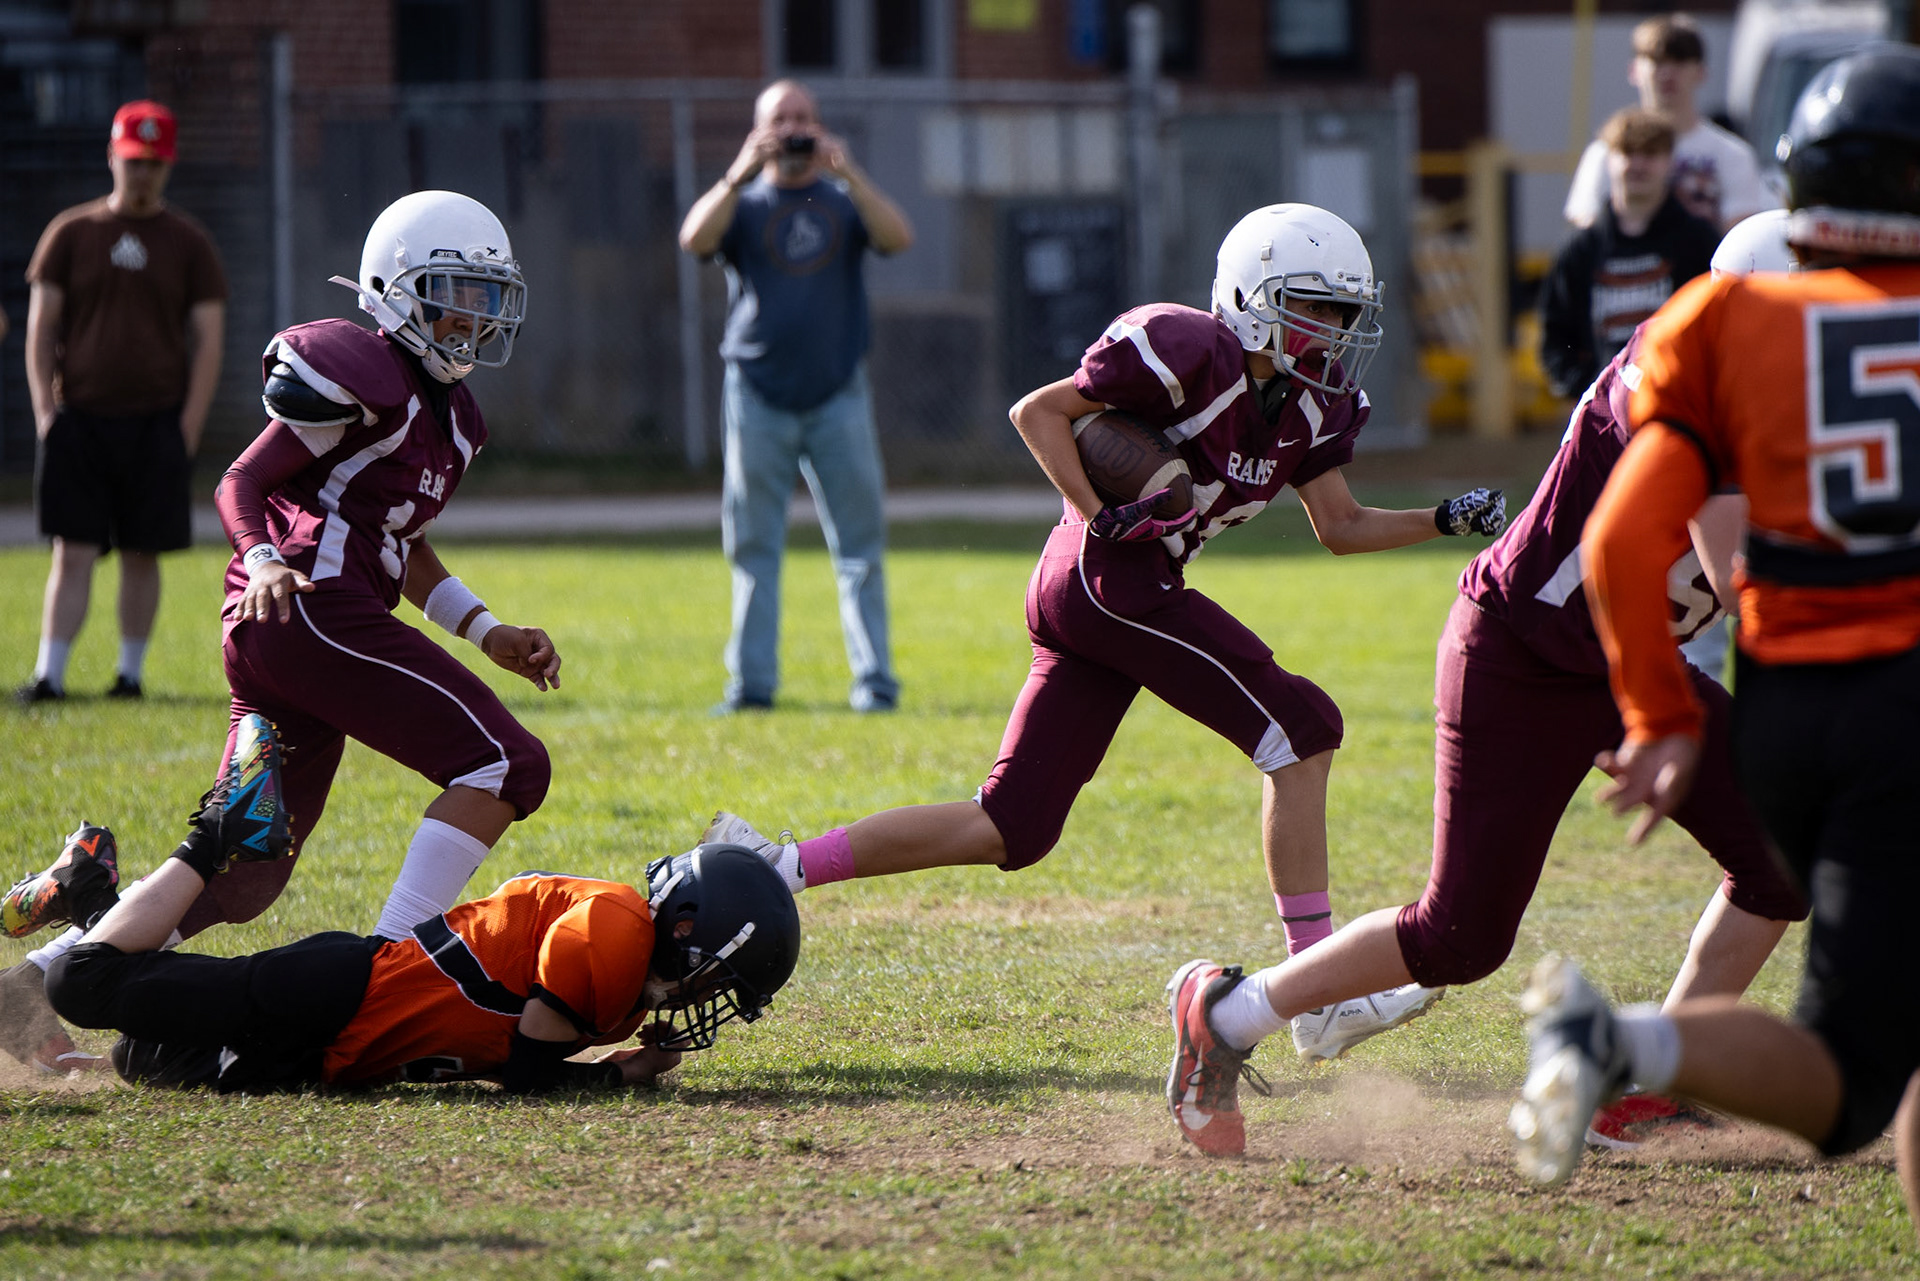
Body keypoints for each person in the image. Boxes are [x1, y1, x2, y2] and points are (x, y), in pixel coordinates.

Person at [705, 202, 1509, 1059]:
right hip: (1104, 578)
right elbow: (1037, 413)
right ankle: (1312, 987)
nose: (1333, 332)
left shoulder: (1312, 409)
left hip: (1116, 587)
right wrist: (1100, 516)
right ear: (1252, 296)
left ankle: (776, 864)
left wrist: (1444, 517)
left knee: (1010, 824)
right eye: (1313, 308)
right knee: (1302, 729)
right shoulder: (1188, 348)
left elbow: (1340, 525)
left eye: (1344, 314)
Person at [1157, 210, 1810, 1158]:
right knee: (1460, 935)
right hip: (1522, 656)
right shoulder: (1696, 373)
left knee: (1776, 858)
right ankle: (1227, 1013)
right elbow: (1742, 567)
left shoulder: (1760, 368)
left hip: (1620, 660)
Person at [0, 190, 560, 1074]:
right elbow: (241, 478)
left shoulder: (452, 417)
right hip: (304, 608)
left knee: (245, 872)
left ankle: (28, 988)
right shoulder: (359, 366)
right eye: (453, 290)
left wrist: (485, 630)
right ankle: (385, 975)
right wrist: (261, 557)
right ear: (394, 290)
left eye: (485, 297)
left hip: (308, 627)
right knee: (506, 764)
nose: (472, 316)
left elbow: (400, 541)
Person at [1505, 52, 1920, 1236]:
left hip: (1791, 707)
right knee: (1855, 1069)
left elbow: (1625, 544)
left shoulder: (1721, 315)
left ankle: (1628, 1044)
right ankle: (1619, 1041)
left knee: (1871, 1059)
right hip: (1903, 699)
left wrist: (1660, 717)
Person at [5, 716, 801, 1094]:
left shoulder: (629, 993)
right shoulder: (617, 929)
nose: (708, 1000)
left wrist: (620, 1059)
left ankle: (87, 893)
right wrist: (622, 1077)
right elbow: (525, 1074)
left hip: (331, 1057)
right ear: (688, 924)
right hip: (332, 993)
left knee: (138, 1060)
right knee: (83, 985)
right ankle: (219, 833)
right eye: (719, 979)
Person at [677, 79, 913, 714]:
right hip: (755, 395)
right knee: (754, 547)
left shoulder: (842, 199)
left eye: (804, 117)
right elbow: (695, 240)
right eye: (781, 119)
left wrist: (851, 172)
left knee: (860, 546)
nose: (794, 127)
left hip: (840, 395)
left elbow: (898, 237)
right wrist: (737, 173)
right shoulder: (744, 204)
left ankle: (875, 685)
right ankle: (751, 689)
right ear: (760, 130)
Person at [18, 99, 227, 704]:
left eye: (154, 164)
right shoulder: (71, 232)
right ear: (112, 157)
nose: (143, 175)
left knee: (142, 551)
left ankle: (129, 675)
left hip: (157, 421)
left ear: (170, 166)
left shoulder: (189, 242)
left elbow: (210, 337)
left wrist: (188, 426)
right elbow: (41, 328)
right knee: (73, 549)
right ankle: (50, 675)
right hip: (79, 418)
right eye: (133, 161)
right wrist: (44, 415)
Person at [1541, 107, 1720, 399]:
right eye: (1627, 153)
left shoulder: (1699, 241)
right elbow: (1556, 336)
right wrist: (1588, 390)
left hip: (1678, 404)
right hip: (1604, 418)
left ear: (1670, 162)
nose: (1637, 164)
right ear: (1609, 160)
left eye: (1650, 154)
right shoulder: (1581, 250)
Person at [1563, 14, 1773, 234]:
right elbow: (1586, 234)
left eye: (1680, 61)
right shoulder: (1607, 153)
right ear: (1633, 70)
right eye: (1657, 61)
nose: (1667, 73)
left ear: (1701, 72)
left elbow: (1739, 240)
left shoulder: (1733, 155)